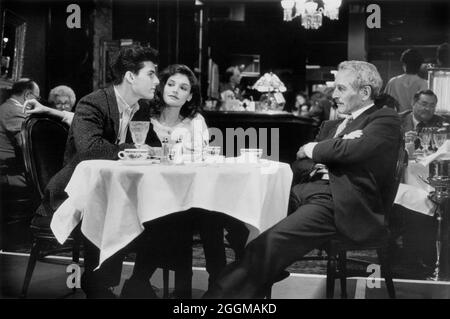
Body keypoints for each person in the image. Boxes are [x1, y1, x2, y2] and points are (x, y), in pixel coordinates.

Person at [203, 60, 401, 299]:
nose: (333, 94)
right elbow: (300, 163)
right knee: (241, 218)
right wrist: (327, 148)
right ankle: (264, 275)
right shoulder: (332, 125)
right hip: (304, 190)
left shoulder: (384, 119)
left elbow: (351, 152)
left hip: (339, 202)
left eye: (341, 88)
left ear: (365, 92)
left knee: (268, 245)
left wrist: (316, 148)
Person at [33, 44, 161, 298]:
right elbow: (90, 149)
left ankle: (138, 280)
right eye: (151, 74)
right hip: (76, 193)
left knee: (164, 211)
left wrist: (154, 149)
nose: (157, 81)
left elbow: (154, 147)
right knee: (106, 204)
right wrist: (136, 149)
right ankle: (96, 285)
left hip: (118, 190)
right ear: (130, 76)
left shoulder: (142, 109)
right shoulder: (92, 103)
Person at [122, 64, 248, 298]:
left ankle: (213, 283)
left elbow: (202, 160)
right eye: (170, 84)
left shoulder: (195, 120)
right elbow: (135, 156)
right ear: (161, 87)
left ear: (189, 96)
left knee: (211, 212)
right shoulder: (143, 118)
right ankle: (232, 268)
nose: (175, 90)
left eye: (183, 88)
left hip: (190, 195)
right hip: (153, 196)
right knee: (209, 215)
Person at [0, 79, 40, 190]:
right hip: (11, 175)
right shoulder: (14, 111)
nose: (38, 103)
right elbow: (30, 145)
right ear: (27, 95)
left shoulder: (5, 107)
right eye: (37, 98)